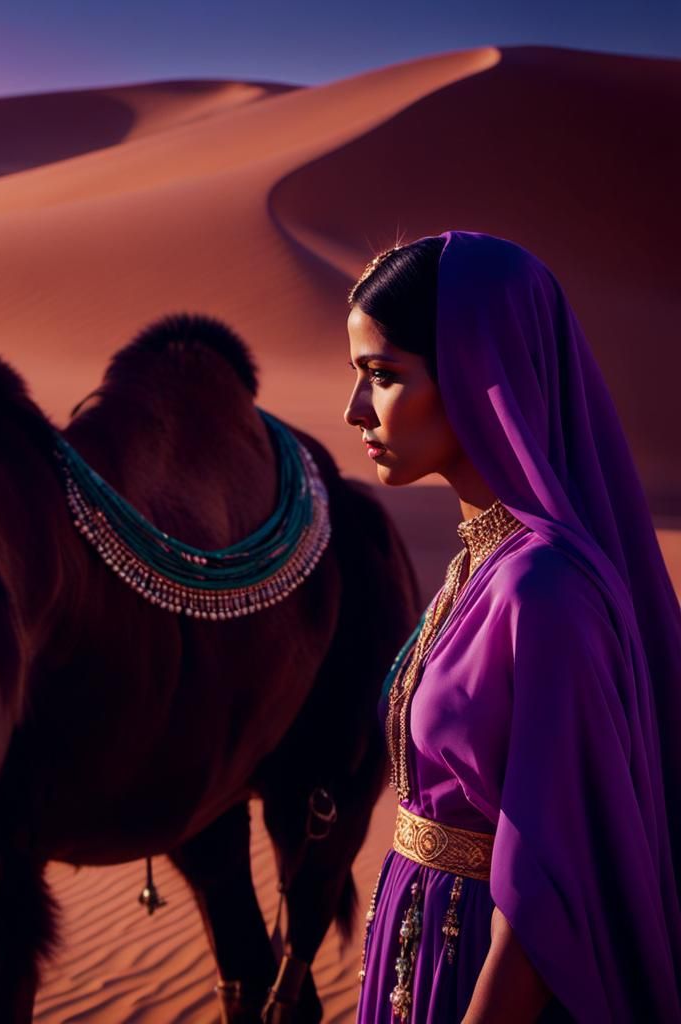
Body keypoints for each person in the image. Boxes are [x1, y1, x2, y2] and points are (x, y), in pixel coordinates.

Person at [345, 231, 681, 1022]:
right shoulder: (481, 563)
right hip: (422, 955)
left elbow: (549, 897)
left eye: (383, 377)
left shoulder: (545, 590)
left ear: (474, 374)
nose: (355, 409)